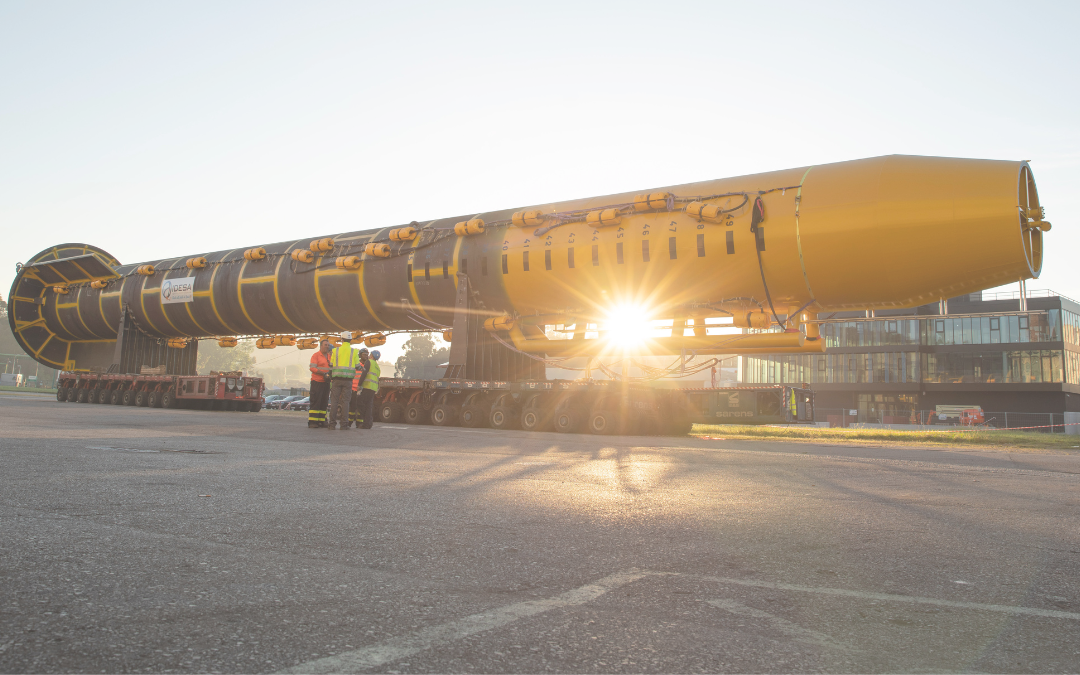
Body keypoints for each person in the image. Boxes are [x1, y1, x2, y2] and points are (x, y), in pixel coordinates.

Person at [326, 331, 361, 430]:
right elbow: (358, 366)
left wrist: (331, 376)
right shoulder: (354, 352)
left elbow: (331, 366)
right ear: (350, 340)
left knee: (334, 402)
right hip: (348, 381)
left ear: (342, 340)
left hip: (336, 380)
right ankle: (344, 424)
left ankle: (332, 424)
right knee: (346, 402)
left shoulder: (336, 351)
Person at [306, 338, 332, 428]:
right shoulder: (316, 356)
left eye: (328, 345)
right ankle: (313, 421)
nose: (327, 347)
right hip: (317, 382)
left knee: (324, 402)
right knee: (316, 401)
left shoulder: (329, 357)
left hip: (326, 382)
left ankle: (322, 421)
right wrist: (323, 373)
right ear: (321, 346)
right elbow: (312, 368)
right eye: (325, 345)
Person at [357, 349, 381, 429]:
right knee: (368, 406)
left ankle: (367, 421)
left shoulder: (369, 362)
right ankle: (368, 423)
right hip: (373, 388)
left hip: (367, 386)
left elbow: (364, 373)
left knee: (360, 403)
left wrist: (359, 384)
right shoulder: (377, 367)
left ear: (371, 355)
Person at [348, 347, 371, 429]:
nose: (366, 356)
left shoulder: (367, 366)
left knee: (361, 408)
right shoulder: (356, 365)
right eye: (364, 355)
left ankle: (359, 423)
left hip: (362, 390)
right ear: (360, 355)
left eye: (367, 355)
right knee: (352, 407)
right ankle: (349, 422)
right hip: (354, 389)